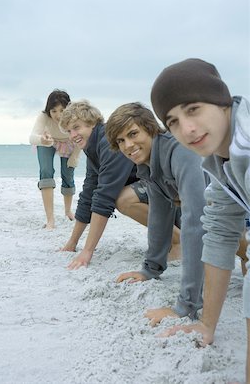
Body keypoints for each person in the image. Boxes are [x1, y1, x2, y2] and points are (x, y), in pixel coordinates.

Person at [150, 58, 249, 383]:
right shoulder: (222, 158)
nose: (186, 129)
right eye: (173, 121)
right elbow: (219, 233)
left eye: (193, 109)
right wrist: (207, 323)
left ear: (221, 101)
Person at [105, 102, 207, 324]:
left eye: (133, 134)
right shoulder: (151, 165)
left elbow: (196, 223)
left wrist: (185, 306)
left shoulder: (180, 151)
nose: (128, 145)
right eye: (121, 140)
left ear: (150, 127)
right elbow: (159, 218)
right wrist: (150, 270)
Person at [59, 100, 181, 270]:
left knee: (124, 199)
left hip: (178, 194)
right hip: (162, 197)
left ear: (92, 123)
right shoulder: (93, 147)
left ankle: (178, 240)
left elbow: (104, 197)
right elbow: (89, 193)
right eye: (69, 131)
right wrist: (72, 243)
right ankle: (175, 238)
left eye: (77, 127)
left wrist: (87, 252)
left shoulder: (109, 144)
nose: (72, 135)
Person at [29, 89, 81, 230]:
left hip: (69, 143)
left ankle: (68, 211)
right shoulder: (44, 116)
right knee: (46, 171)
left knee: (68, 174)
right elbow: (32, 137)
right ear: (48, 110)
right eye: (54, 111)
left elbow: (80, 138)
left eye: (62, 110)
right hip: (48, 140)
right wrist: (42, 139)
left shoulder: (75, 117)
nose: (58, 115)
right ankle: (50, 220)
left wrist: (74, 158)